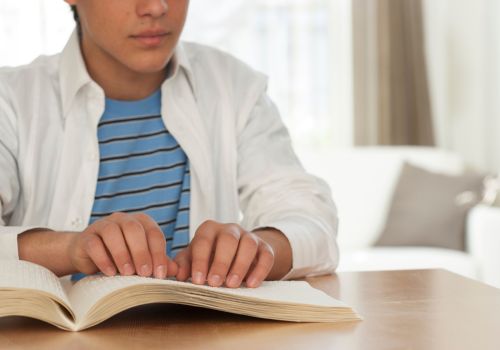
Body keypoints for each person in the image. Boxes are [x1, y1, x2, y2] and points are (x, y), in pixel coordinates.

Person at [0, 0, 338, 288]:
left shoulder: (233, 87)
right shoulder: (12, 101)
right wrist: (71, 249)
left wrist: (257, 249)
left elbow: (311, 221)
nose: (156, 7)